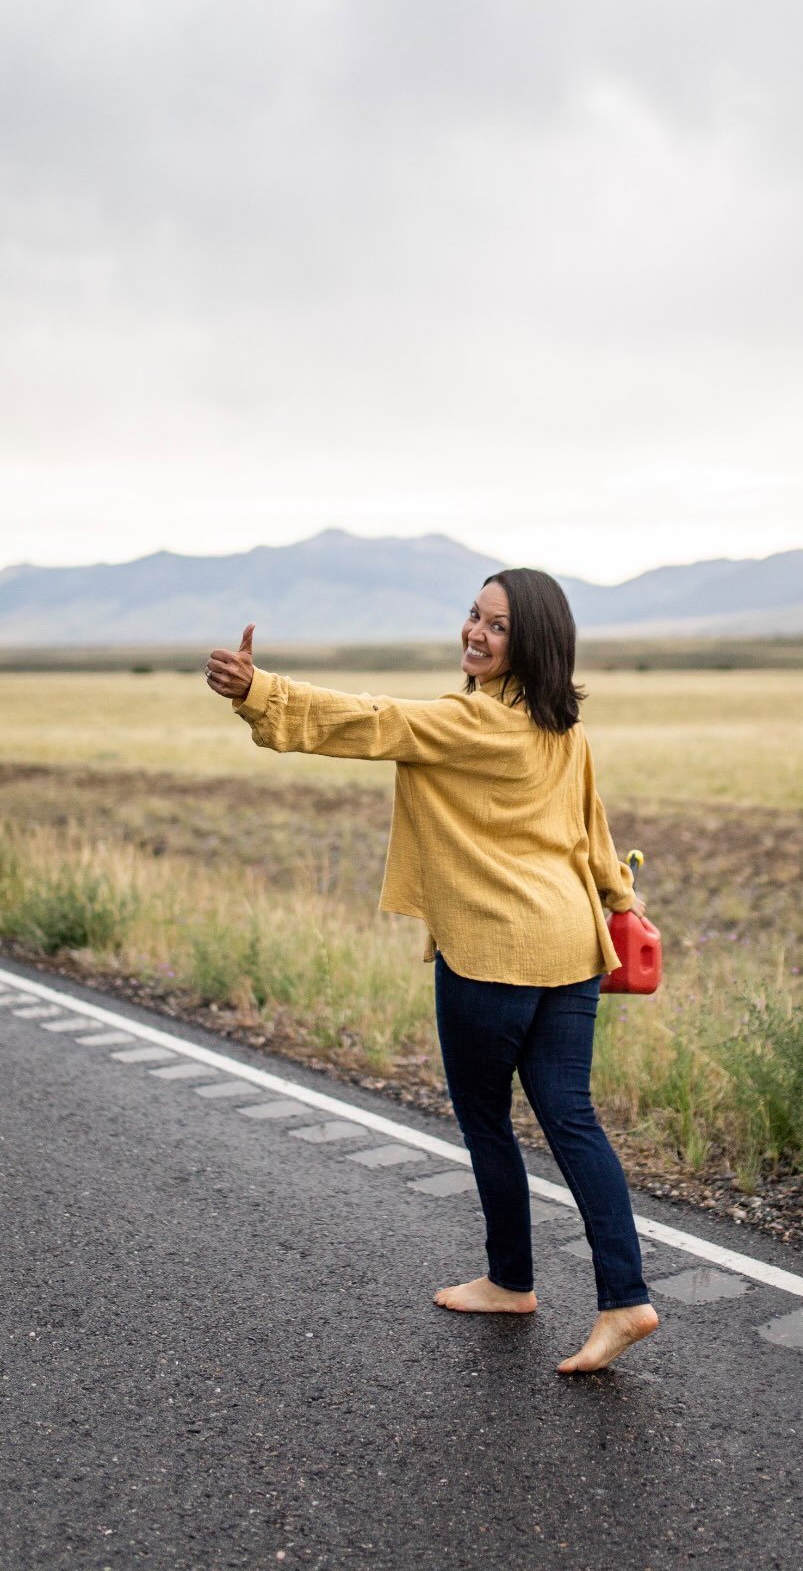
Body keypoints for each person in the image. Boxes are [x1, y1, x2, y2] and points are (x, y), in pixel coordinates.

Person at [205, 568, 658, 1372]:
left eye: (498, 626)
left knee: (486, 1120)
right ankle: (624, 1300)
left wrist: (258, 692)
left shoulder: (470, 722)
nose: (475, 633)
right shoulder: (564, 728)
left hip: (493, 953)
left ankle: (512, 1281)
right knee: (572, 1120)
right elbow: (595, 835)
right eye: (474, 615)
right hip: (573, 947)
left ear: (532, 642)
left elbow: (371, 721)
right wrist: (624, 901)